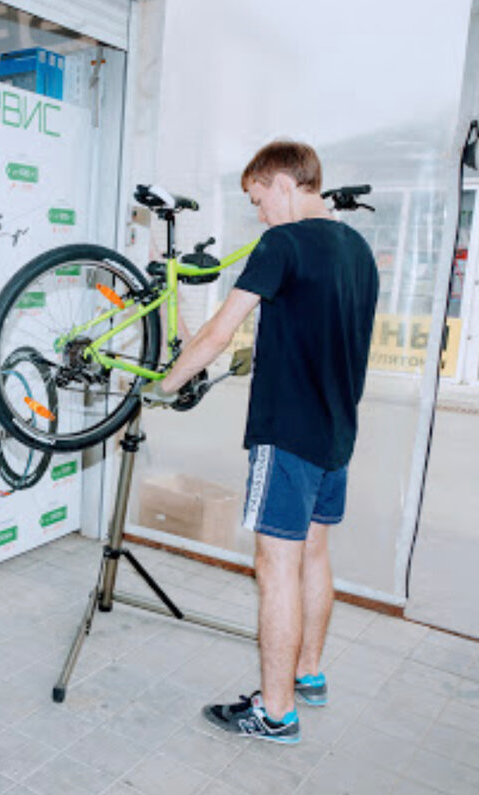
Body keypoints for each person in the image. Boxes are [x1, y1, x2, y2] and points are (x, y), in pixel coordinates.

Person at [156, 140, 378, 744]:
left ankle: (276, 713)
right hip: (336, 434)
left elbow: (219, 333)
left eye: (258, 199)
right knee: (314, 556)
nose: (259, 214)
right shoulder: (359, 251)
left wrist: (164, 386)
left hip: (286, 434)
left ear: (283, 183)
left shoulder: (282, 244)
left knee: (274, 567)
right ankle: (309, 674)